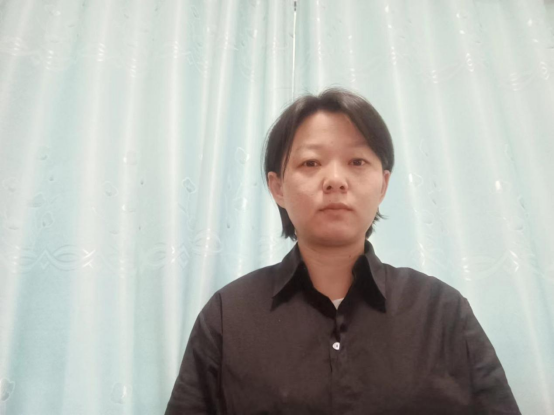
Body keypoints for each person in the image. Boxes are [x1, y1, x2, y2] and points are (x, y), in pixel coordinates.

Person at [165, 87, 521, 415]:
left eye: (357, 162)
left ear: (382, 185)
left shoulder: (442, 312)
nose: (335, 180)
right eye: (311, 163)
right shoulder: (228, 317)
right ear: (278, 188)